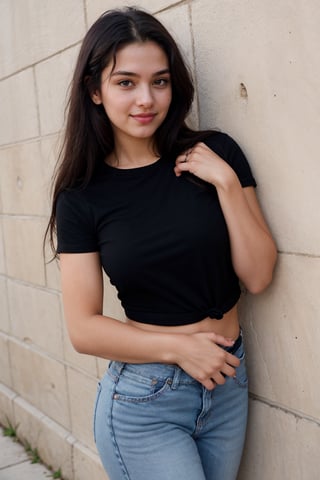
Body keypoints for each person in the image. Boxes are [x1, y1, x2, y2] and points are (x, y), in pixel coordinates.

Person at [46, 7, 277, 480]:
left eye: (160, 81)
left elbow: (257, 276)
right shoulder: (83, 197)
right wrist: (180, 349)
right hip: (147, 398)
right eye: (126, 82)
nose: (146, 99)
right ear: (95, 90)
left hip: (227, 384)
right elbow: (83, 328)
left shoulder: (218, 154)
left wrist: (227, 184)